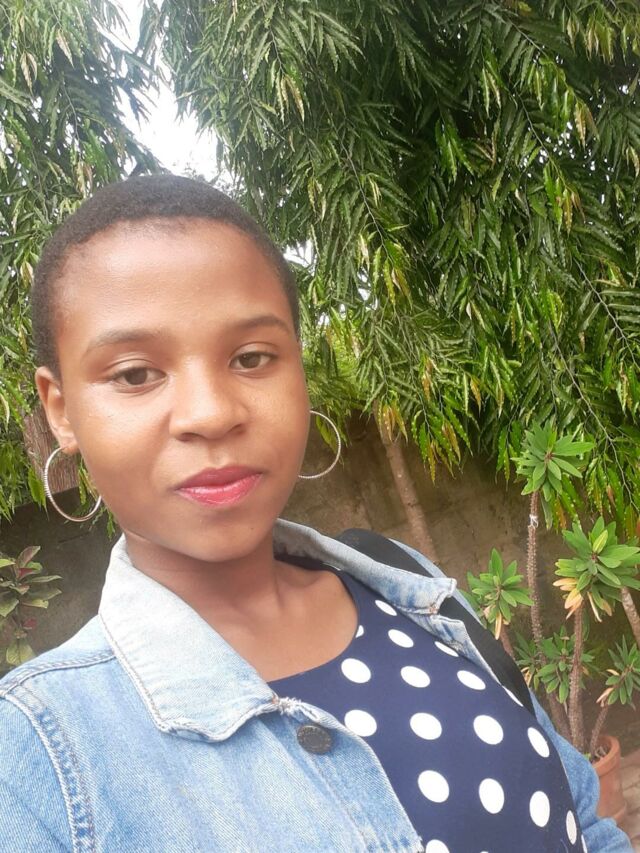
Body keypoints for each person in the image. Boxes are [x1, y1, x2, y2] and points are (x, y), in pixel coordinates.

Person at [0, 175, 631, 853]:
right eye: (134, 374)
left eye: (251, 357)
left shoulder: (403, 581)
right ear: (61, 409)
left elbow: (585, 821)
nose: (211, 413)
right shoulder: (37, 762)